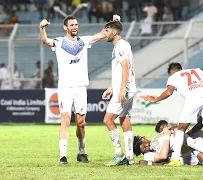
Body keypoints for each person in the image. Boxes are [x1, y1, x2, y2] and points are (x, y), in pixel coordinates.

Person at [39, 15, 107, 164]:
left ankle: (81, 152)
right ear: (66, 27)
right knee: (65, 119)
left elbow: (102, 34)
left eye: (76, 24)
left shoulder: (84, 41)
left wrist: (115, 22)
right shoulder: (59, 42)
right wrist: (42, 28)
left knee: (81, 122)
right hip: (65, 87)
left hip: (81, 87)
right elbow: (45, 40)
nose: (75, 27)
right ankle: (63, 155)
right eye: (72, 25)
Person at [143, 62, 203, 167]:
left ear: (172, 72)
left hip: (193, 99)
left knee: (180, 129)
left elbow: (169, 92)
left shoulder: (173, 76)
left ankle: (176, 159)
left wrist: (156, 99)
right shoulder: (196, 70)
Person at [101, 16, 136, 166]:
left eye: (107, 30)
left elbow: (125, 67)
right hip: (129, 88)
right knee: (124, 120)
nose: (104, 33)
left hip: (125, 89)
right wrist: (112, 87)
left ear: (115, 33)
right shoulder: (122, 45)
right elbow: (119, 70)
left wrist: (121, 89)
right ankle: (130, 157)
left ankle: (119, 154)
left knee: (108, 120)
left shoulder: (120, 46)